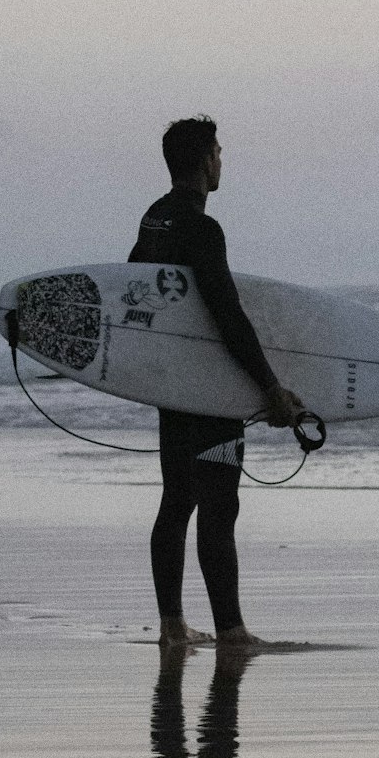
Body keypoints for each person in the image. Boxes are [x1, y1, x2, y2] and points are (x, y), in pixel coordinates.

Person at [130, 116, 304, 650]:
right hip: (210, 392)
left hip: (174, 389)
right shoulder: (203, 229)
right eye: (219, 152)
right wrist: (269, 386)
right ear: (205, 160)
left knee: (176, 500)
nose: (222, 161)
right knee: (220, 504)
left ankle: (171, 626)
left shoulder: (154, 219)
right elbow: (226, 313)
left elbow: (137, 288)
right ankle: (231, 630)